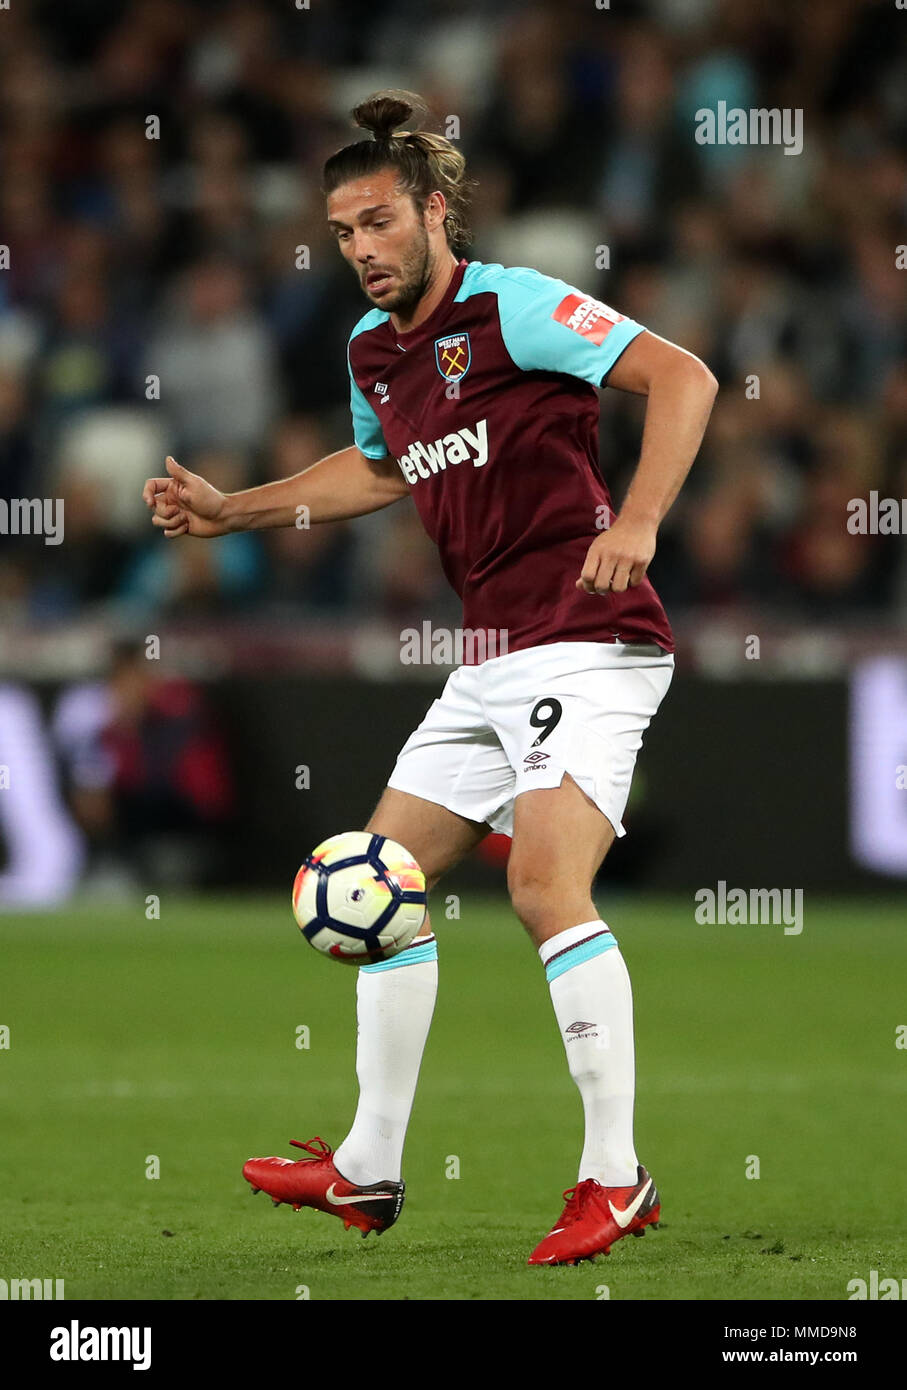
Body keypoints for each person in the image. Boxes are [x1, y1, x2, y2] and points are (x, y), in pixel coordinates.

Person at [143, 91, 718, 1266]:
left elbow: (687, 377)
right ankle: (366, 1167)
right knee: (375, 889)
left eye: (377, 223)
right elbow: (377, 469)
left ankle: (614, 1176)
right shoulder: (372, 353)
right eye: (342, 232)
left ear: (434, 210)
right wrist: (230, 511)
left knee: (545, 889)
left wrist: (644, 519)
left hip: (588, 635)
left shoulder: (514, 305)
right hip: (489, 658)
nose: (360, 249)